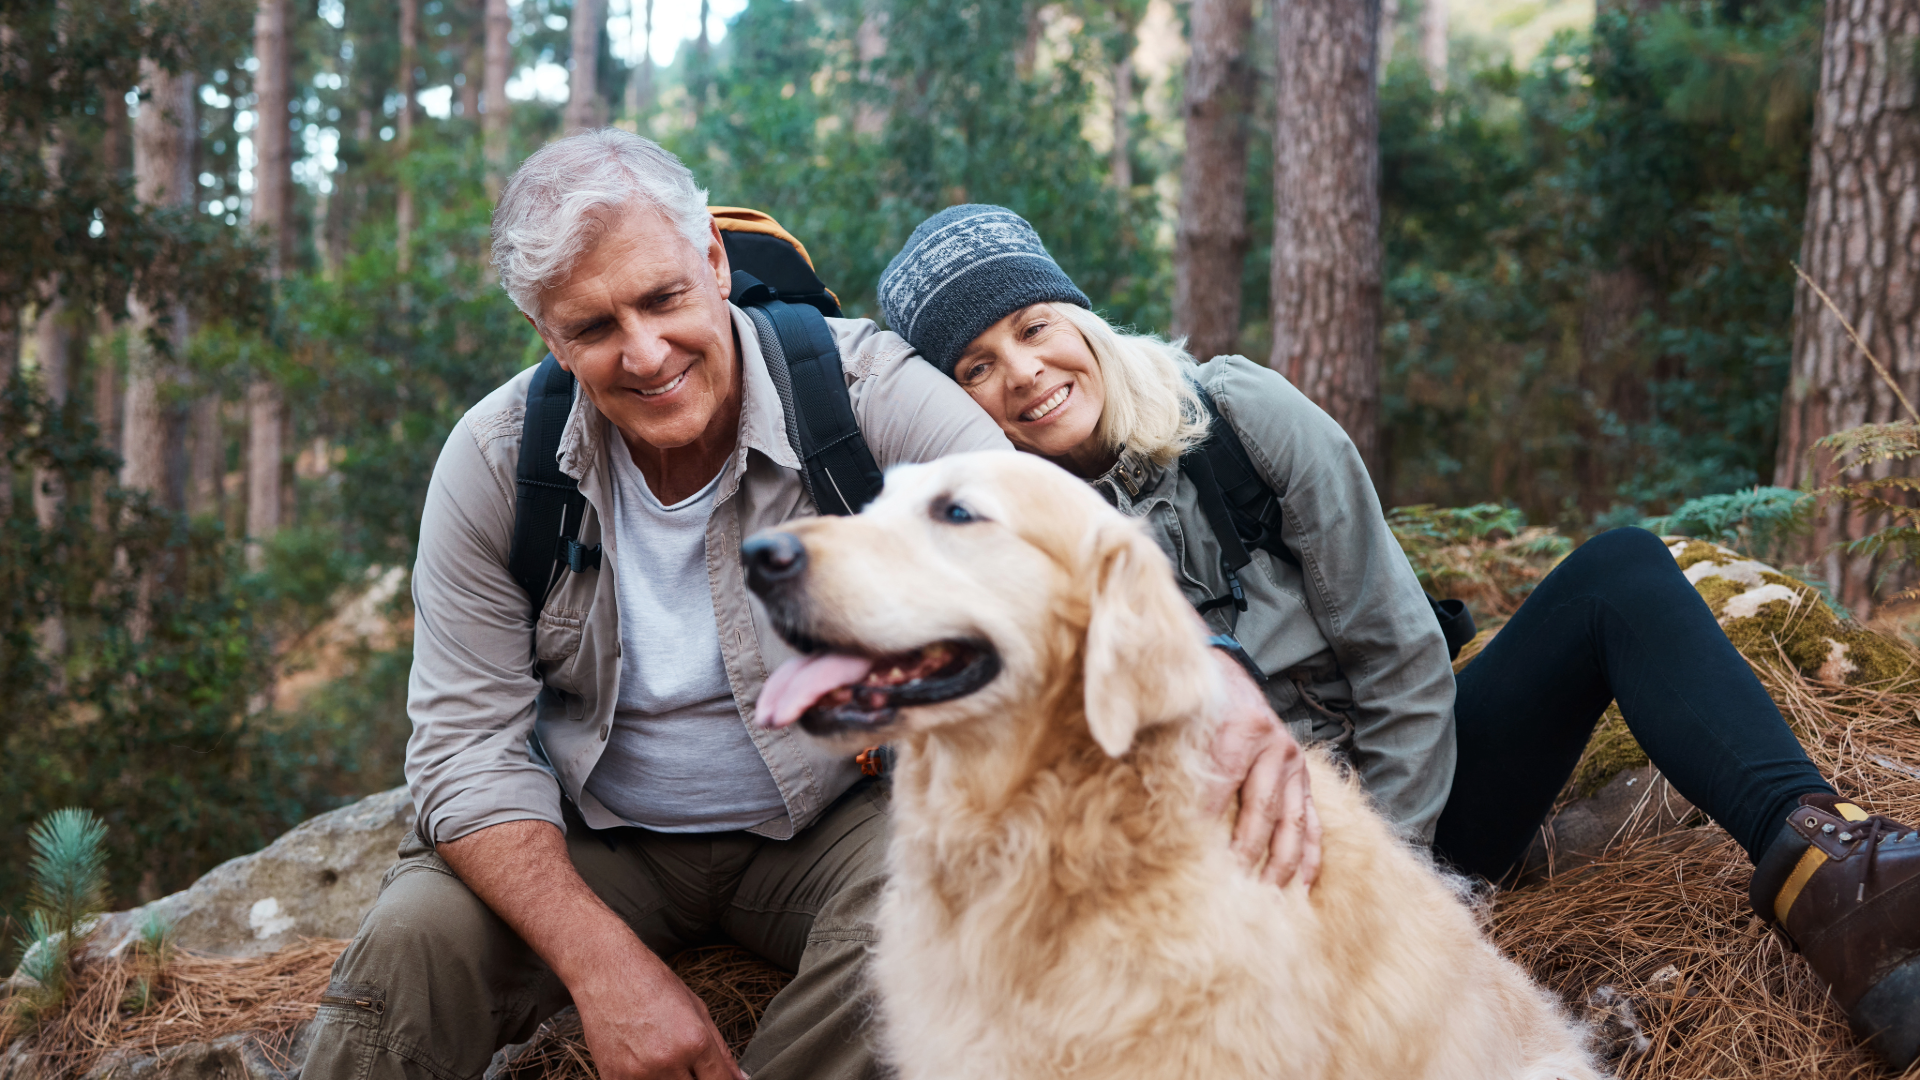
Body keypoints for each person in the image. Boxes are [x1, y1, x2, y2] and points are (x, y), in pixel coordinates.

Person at [303, 134, 1316, 1080]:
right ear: (546, 336)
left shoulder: (865, 391)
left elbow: (1053, 541)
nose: (647, 352)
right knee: (413, 942)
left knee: (951, 903)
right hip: (594, 834)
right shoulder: (495, 463)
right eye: (595, 327)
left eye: (662, 297)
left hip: (841, 816)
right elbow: (461, 750)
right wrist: (606, 968)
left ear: (711, 256)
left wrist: (1212, 661)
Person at [877, 203, 1920, 1067]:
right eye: (974, 366)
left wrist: (1409, 881)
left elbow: (1398, 649)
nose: (1021, 370)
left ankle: (1834, 871)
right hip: (1223, 878)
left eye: (1032, 325)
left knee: (1620, 574)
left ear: (1082, 318)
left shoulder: (1236, 417)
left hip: (1414, 803)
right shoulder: (1005, 550)